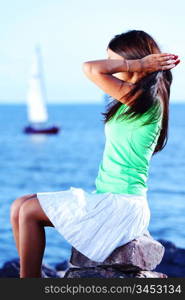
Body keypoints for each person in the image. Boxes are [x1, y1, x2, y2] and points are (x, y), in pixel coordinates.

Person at [10, 30, 180, 278]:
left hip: (123, 206)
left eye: (115, 62)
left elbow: (90, 69)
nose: (112, 68)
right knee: (19, 205)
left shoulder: (146, 100)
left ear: (135, 62)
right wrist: (137, 65)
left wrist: (139, 65)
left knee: (29, 211)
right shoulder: (131, 100)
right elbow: (95, 70)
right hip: (109, 198)